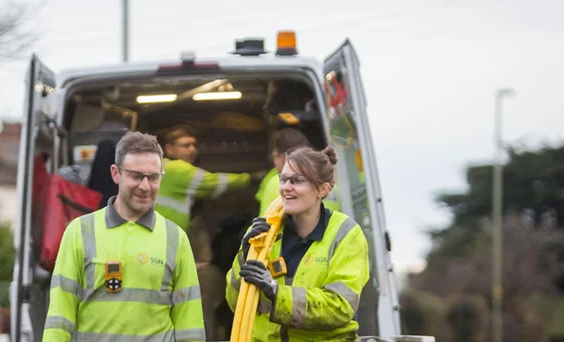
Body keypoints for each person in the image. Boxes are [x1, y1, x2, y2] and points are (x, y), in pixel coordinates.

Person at [44, 131, 206, 342]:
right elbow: (59, 317)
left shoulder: (176, 238)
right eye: (136, 176)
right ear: (116, 174)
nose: (145, 186)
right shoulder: (80, 232)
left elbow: (190, 325)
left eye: (153, 177)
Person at [225, 146, 370, 342]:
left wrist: (277, 293)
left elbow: (340, 307)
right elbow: (236, 303)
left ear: (323, 189)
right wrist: (245, 255)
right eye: (283, 179)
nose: (285, 187)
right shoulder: (267, 235)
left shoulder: (346, 235)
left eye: (297, 180)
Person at [155, 125, 268, 229]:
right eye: (186, 145)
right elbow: (215, 182)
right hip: (169, 232)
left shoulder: (163, 166)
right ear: (169, 149)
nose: (192, 150)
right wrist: (251, 178)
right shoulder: (178, 169)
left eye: (194, 145)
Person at [256, 128, 341, 216]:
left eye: (275, 156)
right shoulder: (330, 183)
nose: (274, 162)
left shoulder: (276, 183)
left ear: (283, 158)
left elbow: (266, 223)